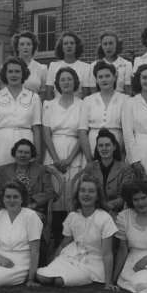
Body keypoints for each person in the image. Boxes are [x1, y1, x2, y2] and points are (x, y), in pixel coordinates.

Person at [36, 175, 119, 290]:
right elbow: (65, 243)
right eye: (83, 190)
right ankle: (60, 270)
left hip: (93, 262)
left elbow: (107, 253)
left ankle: (77, 275)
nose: (86, 194)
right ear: (78, 194)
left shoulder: (104, 218)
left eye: (91, 191)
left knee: (59, 281)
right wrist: (54, 262)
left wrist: (108, 282)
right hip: (71, 256)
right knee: (42, 276)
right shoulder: (73, 216)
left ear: (98, 196)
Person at [0, 56, 43, 170]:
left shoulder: (33, 97)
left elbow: (36, 129)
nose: (13, 75)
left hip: (26, 145)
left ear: (23, 73)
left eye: (17, 71)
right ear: (5, 74)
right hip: (0, 146)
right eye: (10, 71)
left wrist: (38, 157)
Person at [43, 67, 84, 213]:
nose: (66, 82)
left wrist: (68, 159)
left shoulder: (82, 104)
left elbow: (82, 133)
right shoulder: (49, 104)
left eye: (69, 79)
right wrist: (55, 159)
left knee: (72, 193)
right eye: (62, 79)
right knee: (54, 192)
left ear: (75, 82)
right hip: (53, 152)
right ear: (57, 83)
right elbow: (46, 133)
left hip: (74, 154)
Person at [0, 139, 55, 213]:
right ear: (14, 153)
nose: (23, 155)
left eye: (27, 152)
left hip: (33, 211)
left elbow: (50, 193)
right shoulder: (2, 171)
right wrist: (9, 201)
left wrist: (33, 204)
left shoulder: (42, 170)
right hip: (7, 210)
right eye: (20, 152)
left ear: (31, 155)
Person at [79, 60, 128, 163]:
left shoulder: (125, 100)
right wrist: (89, 159)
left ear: (114, 77)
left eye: (107, 76)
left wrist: (121, 157)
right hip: (92, 151)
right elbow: (82, 131)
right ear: (96, 80)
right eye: (100, 77)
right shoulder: (88, 100)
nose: (104, 80)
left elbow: (127, 132)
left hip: (117, 152)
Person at [79, 129, 135, 216]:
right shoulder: (90, 167)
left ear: (114, 147)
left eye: (107, 145)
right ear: (97, 148)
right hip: (93, 213)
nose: (104, 148)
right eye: (100, 145)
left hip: (118, 214)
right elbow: (85, 193)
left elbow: (125, 196)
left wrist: (106, 207)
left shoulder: (125, 168)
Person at [45, 30, 93, 100]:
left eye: (72, 43)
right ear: (61, 47)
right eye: (66, 43)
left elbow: (86, 94)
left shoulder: (86, 67)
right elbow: (49, 93)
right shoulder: (53, 66)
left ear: (77, 46)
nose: (69, 45)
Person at [95, 29, 132, 94]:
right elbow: (94, 92)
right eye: (105, 44)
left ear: (116, 44)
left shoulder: (127, 64)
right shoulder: (94, 65)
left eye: (111, 43)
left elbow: (128, 91)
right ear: (101, 46)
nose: (108, 47)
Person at [12, 31, 47, 96]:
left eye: (28, 44)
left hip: (34, 104)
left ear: (33, 47)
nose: (25, 47)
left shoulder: (42, 69)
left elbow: (44, 95)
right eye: (22, 44)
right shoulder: (9, 67)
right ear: (17, 47)